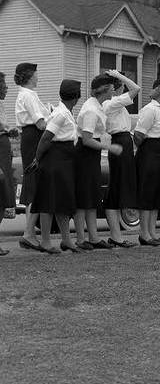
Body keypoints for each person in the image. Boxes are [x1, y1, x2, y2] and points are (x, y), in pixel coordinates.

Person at [30, 79, 82, 254]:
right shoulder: (60, 114)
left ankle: (66, 240)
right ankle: (45, 241)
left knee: (63, 200)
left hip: (64, 159)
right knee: (49, 201)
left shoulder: (65, 112)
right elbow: (46, 137)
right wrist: (37, 158)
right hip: (55, 159)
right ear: (76, 97)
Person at [73, 74, 116, 250]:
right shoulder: (90, 109)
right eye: (112, 87)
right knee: (83, 196)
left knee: (92, 196)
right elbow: (87, 139)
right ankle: (81, 238)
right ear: (104, 89)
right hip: (84, 154)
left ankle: (94, 236)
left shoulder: (97, 106)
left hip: (91, 155)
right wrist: (109, 148)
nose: (114, 89)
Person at [100, 69, 140, 248]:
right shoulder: (111, 102)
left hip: (124, 141)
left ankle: (116, 236)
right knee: (116, 188)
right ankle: (115, 236)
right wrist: (119, 76)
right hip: (120, 141)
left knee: (120, 188)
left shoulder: (117, 103)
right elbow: (136, 88)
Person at [133, 77, 160, 246]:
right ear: (159, 91)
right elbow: (138, 135)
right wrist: (148, 152)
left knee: (159, 192)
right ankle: (144, 234)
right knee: (147, 192)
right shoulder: (150, 109)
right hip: (150, 153)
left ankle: (152, 232)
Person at [14, 62, 50, 251]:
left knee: (35, 182)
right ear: (29, 76)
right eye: (36, 73)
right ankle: (28, 233)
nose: (38, 76)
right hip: (33, 137)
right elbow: (41, 124)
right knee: (33, 182)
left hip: (32, 137)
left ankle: (30, 232)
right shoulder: (27, 95)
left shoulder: (29, 94)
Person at [0, 74, 13, 253]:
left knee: (3, 199)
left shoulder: (1, 104)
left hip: (4, 152)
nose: (6, 88)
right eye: (3, 84)